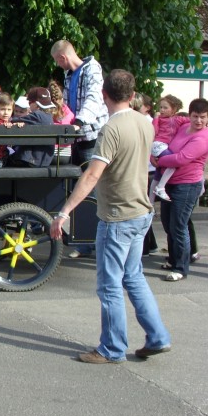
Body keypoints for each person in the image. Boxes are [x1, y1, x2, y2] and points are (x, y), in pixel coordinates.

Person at [50, 69, 170, 364]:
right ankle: (158, 337)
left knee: (110, 285)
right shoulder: (145, 123)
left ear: (104, 96)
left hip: (118, 215)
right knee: (134, 278)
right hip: (141, 211)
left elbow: (92, 175)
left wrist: (64, 212)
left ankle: (112, 348)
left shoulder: (111, 129)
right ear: (132, 95)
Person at [154, 97, 208, 281]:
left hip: (187, 185)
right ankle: (173, 258)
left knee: (179, 225)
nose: (198, 121)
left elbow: (181, 158)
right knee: (168, 222)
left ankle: (181, 268)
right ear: (190, 114)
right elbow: (169, 143)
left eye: (202, 117)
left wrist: (158, 161)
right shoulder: (184, 127)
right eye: (195, 116)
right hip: (170, 182)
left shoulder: (204, 137)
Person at [50, 40, 108, 166]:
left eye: (57, 60)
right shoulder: (69, 74)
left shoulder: (92, 69)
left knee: (90, 176)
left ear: (62, 57)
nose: (57, 64)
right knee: (76, 177)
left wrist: (79, 122)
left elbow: (94, 97)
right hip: (75, 135)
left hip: (91, 135)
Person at [131, 92, 159, 255]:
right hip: (144, 169)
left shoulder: (147, 123)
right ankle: (151, 244)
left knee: (143, 208)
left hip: (147, 170)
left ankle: (146, 246)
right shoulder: (143, 121)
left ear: (147, 108)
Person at [148, 95, 190, 203]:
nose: (161, 110)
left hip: (164, 147)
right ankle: (161, 187)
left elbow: (189, 120)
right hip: (158, 144)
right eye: (160, 107)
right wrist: (156, 119)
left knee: (158, 174)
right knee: (173, 163)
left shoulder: (178, 119)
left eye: (165, 108)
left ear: (174, 109)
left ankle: (150, 203)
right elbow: (154, 131)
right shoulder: (159, 120)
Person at [7, 87, 55, 168]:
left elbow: (14, 121)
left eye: (29, 103)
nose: (28, 105)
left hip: (32, 159)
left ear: (36, 104)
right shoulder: (49, 116)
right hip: (45, 159)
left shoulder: (37, 115)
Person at [48, 79, 74, 164]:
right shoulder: (69, 114)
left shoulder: (45, 114)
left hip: (48, 155)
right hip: (65, 156)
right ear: (62, 98)